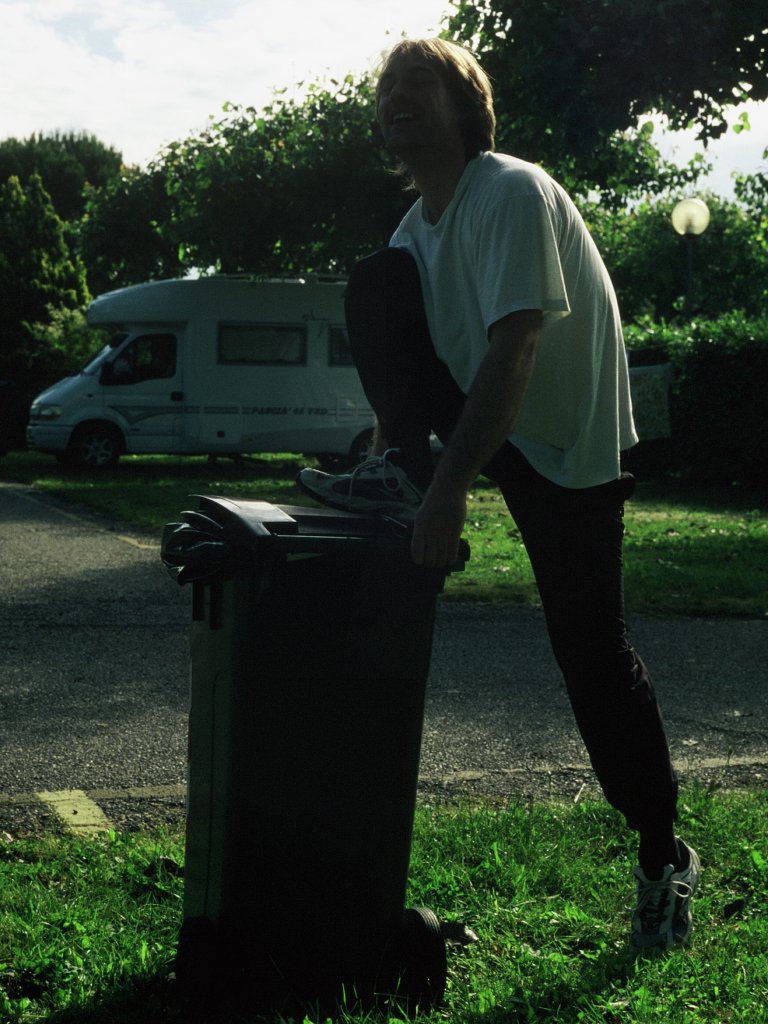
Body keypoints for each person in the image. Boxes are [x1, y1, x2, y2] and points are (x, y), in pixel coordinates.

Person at [298, 37, 699, 951]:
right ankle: (397, 472)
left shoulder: (511, 190)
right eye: (387, 86)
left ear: (466, 106)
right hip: (488, 420)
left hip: (564, 445)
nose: (397, 96)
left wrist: (448, 490)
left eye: (419, 82)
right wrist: (395, 452)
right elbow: (421, 358)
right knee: (377, 280)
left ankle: (663, 857)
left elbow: (515, 348)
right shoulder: (413, 230)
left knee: (591, 657)